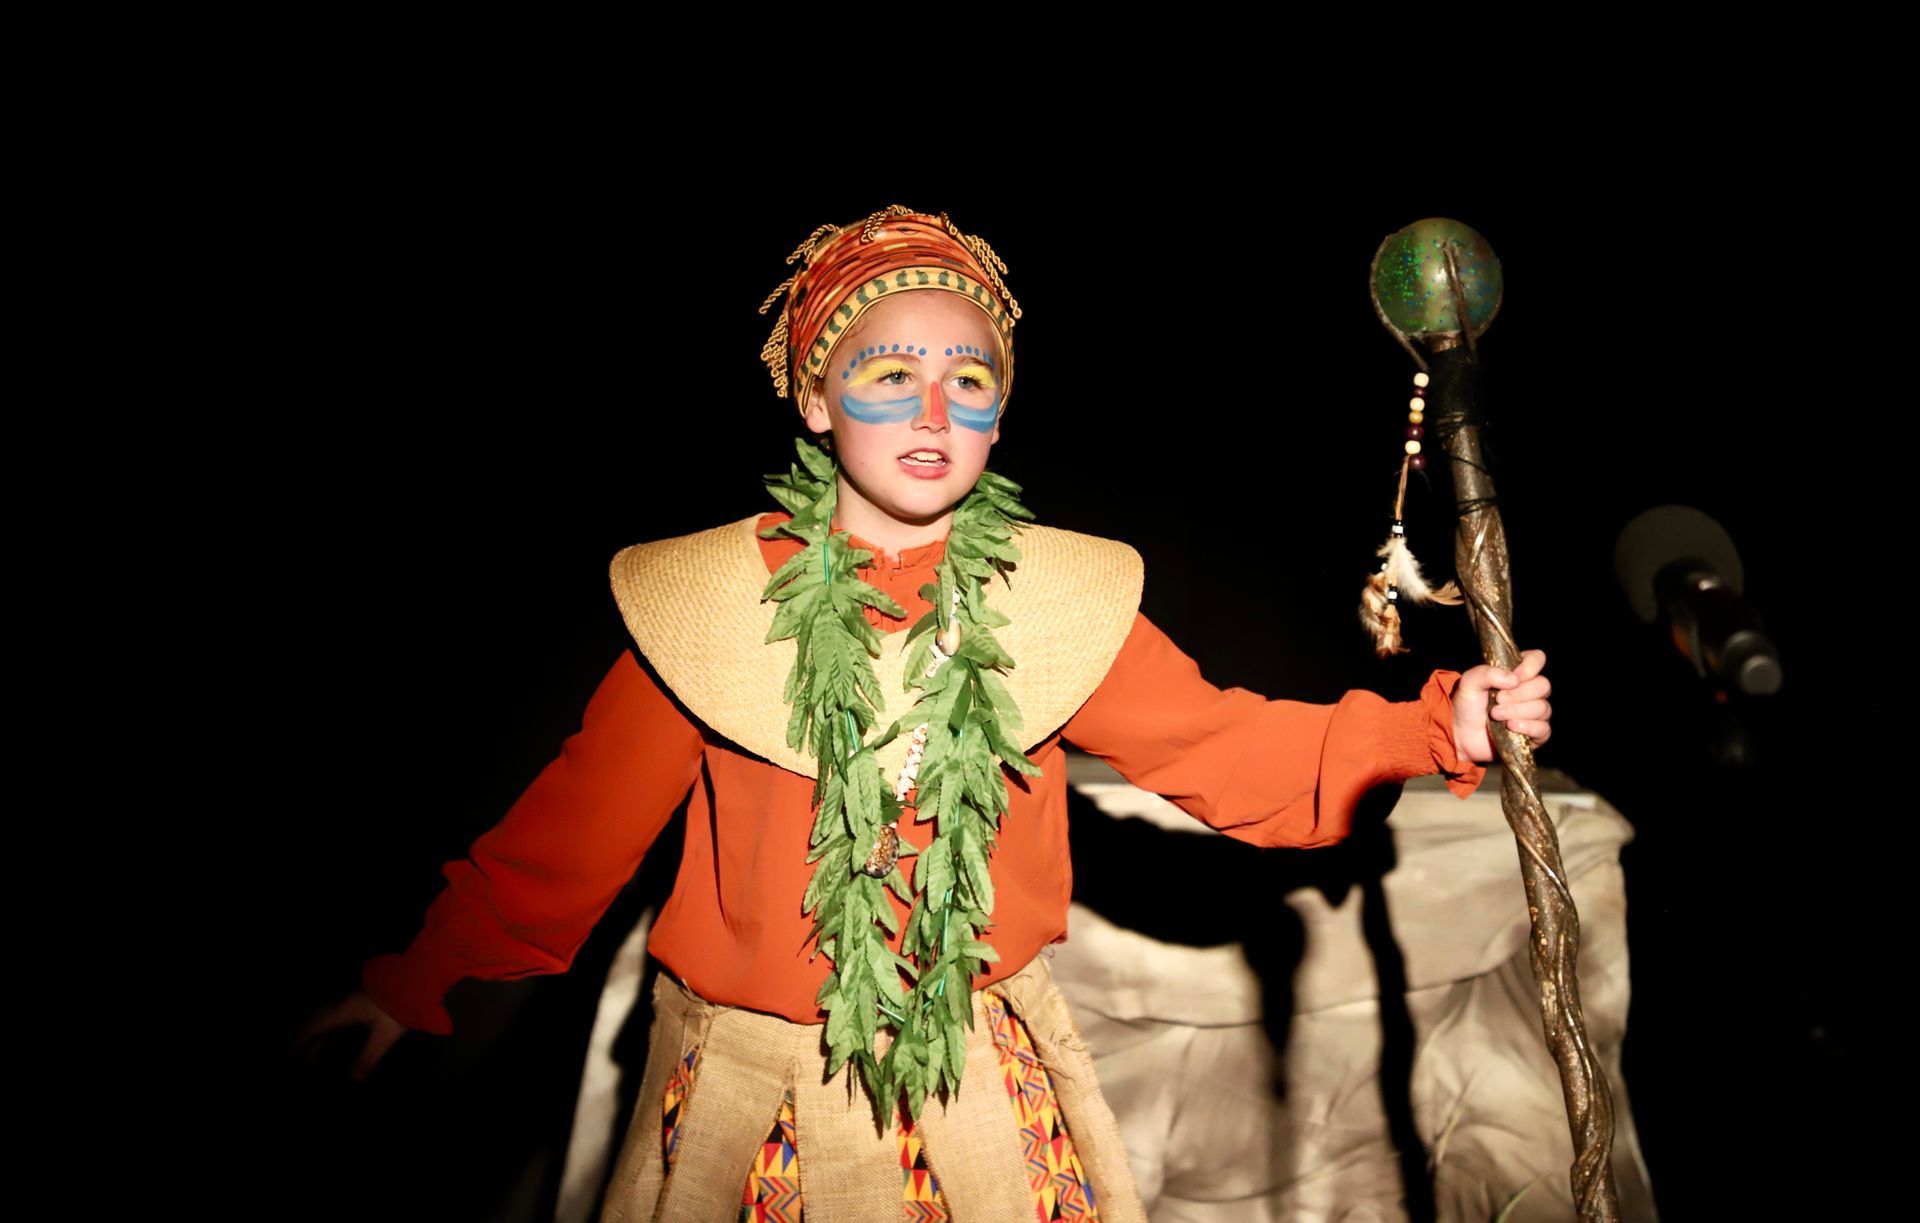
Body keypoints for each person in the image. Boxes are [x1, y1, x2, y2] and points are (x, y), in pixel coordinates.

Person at [299, 204, 1553, 1222]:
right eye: (888, 374)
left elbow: (1227, 744)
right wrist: (416, 981)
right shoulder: (710, 605)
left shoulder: (1051, 602)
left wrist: (1441, 722)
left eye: (971, 377)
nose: (935, 410)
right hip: (756, 1101)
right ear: (815, 396)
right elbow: (569, 834)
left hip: (989, 1090)